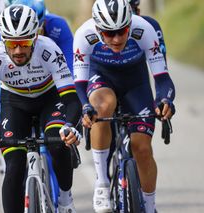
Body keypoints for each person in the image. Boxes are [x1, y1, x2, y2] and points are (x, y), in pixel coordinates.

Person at [0, 4, 81, 213]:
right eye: (12, 44)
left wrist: (70, 125)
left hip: (50, 98)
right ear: (3, 41)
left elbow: (71, 99)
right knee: (13, 165)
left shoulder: (49, 50)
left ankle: (66, 200)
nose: (18, 50)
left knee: (58, 143)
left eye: (24, 43)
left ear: (34, 37)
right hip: (15, 103)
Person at [73, 0, 175, 212]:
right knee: (103, 105)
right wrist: (85, 107)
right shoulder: (85, 34)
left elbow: (162, 78)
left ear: (131, 22)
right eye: (110, 34)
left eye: (122, 31)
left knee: (143, 148)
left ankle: (149, 206)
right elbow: (80, 83)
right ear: (98, 29)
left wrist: (165, 100)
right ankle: (101, 182)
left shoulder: (144, 28)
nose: (117, 39)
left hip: (134, 81)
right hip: (100, 76)